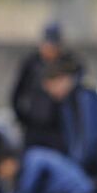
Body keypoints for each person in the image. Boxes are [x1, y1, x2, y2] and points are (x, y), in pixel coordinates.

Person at [42, 52, 97, 193]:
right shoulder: (74, 97)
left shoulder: (81, 97)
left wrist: (77, 167)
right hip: (95, 156)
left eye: (52, 88)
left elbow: (87, 136)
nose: (53, 95)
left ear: (62, 80)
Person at [11, 21, 66, 151]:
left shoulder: (66, 64)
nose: (50, 50)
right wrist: (22, 117)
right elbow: (16, 93)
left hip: (57, 130)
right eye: (47, 45)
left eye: (53, 46)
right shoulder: (31, 63)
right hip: (33, 128)